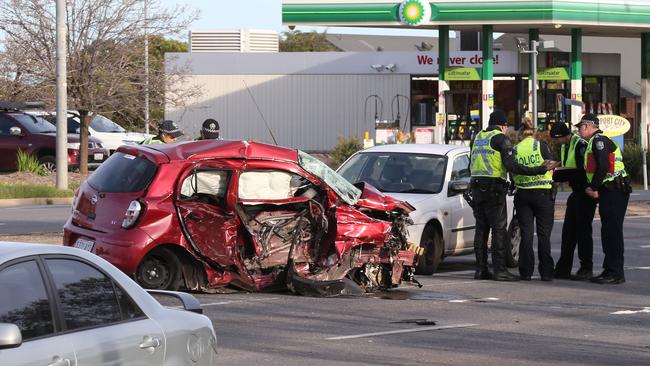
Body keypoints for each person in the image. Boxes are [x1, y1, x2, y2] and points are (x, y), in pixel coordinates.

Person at [469, 110, 556, 281]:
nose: (507, 131)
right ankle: (500, 270)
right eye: (506, 127)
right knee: (499, 229)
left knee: (481, 229)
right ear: (502, 125)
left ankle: (480, 269)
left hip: (477, 187)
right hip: (494, 188)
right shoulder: (500, 138)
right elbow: (512, 166)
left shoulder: (478, 137)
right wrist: (538, 169)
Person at [576, 113, 631, 284]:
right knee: (608, 232)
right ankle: (610, 270)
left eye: (580, 127)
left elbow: (604, 166)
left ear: (587, 126)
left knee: (612, 232)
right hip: (611, 190)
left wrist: (593, 187)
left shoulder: (599, 141)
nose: (579, 130)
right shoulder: (593, 142)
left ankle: (615, 273)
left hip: (614, 190)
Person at [550, 121, 596, 281]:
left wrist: (559, 175)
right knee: (568, 232)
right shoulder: (565, 146)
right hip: (576, 191)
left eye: (557, 139)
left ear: (564, 136)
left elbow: (584, 170)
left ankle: (586, 268)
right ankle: (563, 268)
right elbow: (568, 167)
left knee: (583, 232)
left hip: (584, 191)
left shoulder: (579, 144)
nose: (556, 142)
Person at [512, 119, 556, 281]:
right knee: (544, 235)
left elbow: (513, 171)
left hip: (523, 194)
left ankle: (526, 271)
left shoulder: (515, 149)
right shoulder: (541, 146)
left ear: (520, 135)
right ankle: (546, 272)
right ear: (534, 133)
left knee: (527, 234)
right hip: (543, 194)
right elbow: (551, 167)